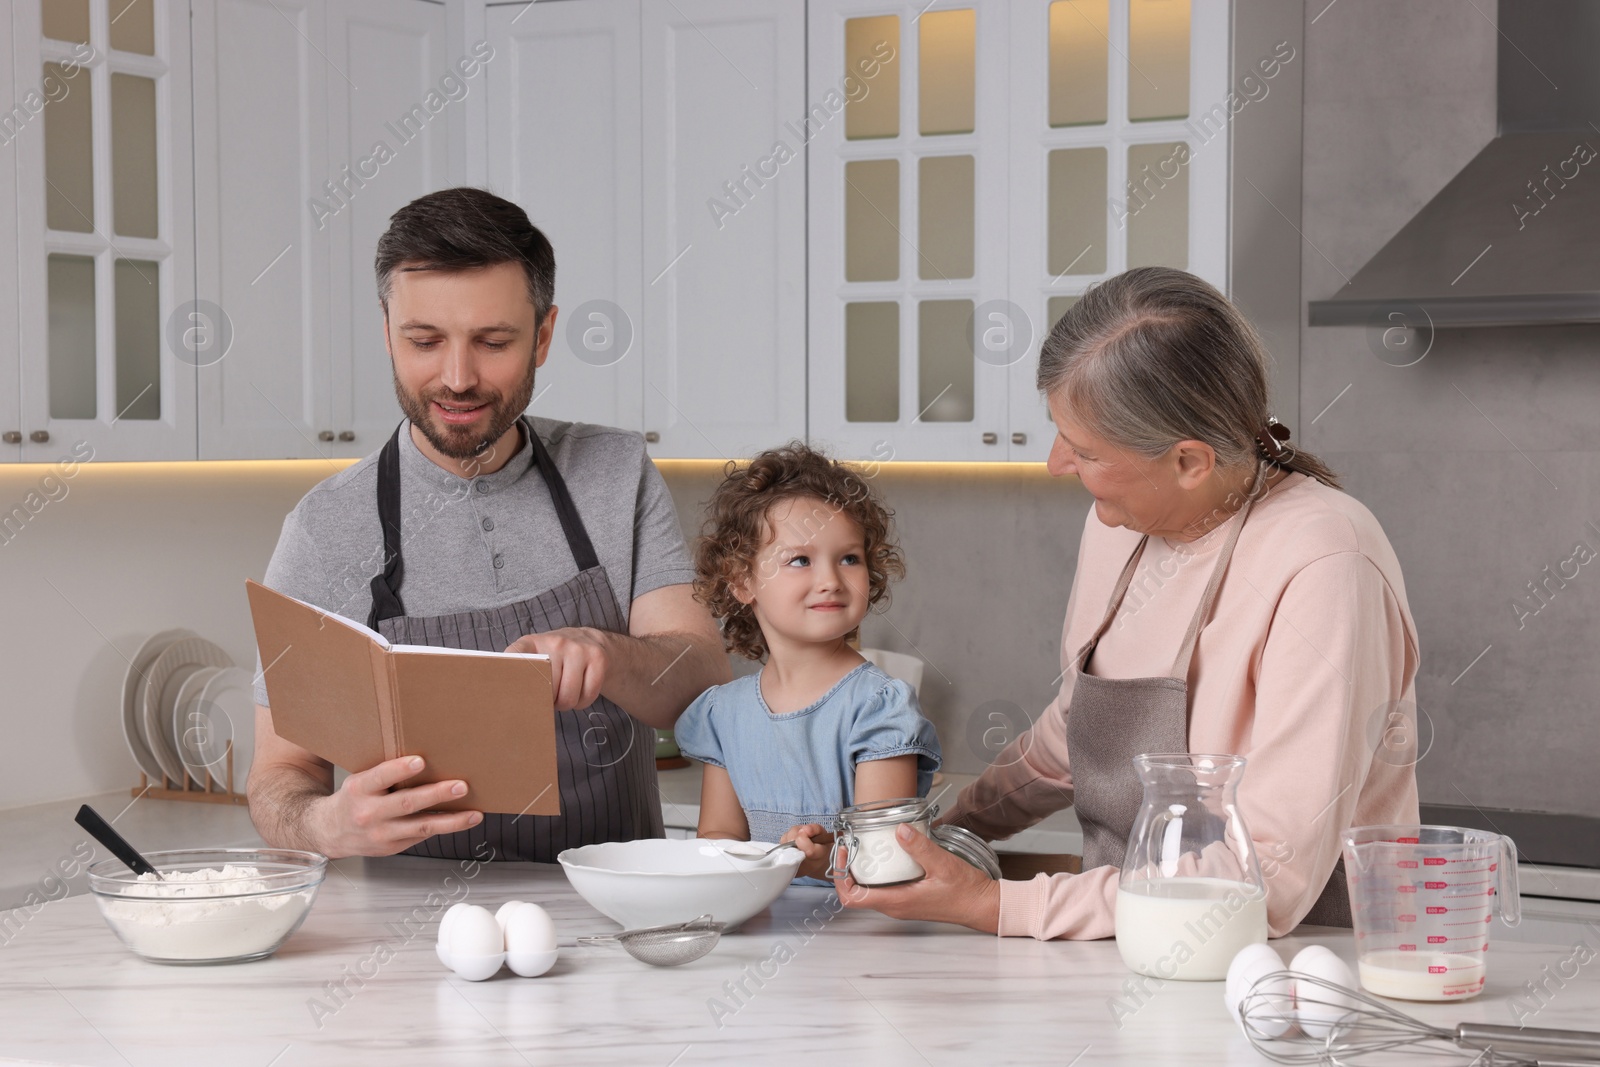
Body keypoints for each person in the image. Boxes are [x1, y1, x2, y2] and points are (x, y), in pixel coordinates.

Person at [835, 267, 1420, 938]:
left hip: (1286, 968)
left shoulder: (1325, 560)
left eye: (1083, 448)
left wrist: (997, 905)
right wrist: (923, 842)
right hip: (1125, 949)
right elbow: (1071, 737)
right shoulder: (1120, 526)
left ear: (1190, 462)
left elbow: (1269, 878)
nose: (1057, 462)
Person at [247, 188, 730, 861]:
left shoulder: (616, 473)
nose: (458, 377)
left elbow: (706, 681)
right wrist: (327, 824)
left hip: (618, 915)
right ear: (387, 332)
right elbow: (279, 778)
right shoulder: (324, 529)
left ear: (544, 334)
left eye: (493, 341)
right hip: (408, 939)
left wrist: (611, 655)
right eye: (424, 340)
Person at [674, 445, 942, 882]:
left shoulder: (878, 707)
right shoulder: (723, 713)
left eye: (849, 558)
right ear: (742, 581)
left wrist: (825, 860)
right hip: (758, 924)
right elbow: (719, 836)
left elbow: (888, 858)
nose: (830, 581)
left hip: (859, 935)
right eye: (800, 560)